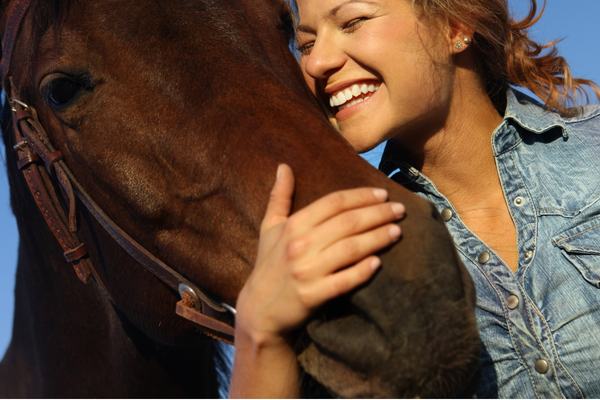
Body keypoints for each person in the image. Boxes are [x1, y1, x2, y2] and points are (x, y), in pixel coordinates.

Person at [227, 0, 600, 397]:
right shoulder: (349, 251)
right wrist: (261, 337)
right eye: (305, 45)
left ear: (456, 26)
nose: (316, 63)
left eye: (352, 22)